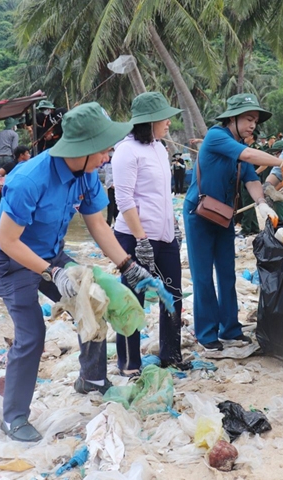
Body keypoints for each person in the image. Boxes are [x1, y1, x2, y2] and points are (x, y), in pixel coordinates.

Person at [0, 102, 161, 442]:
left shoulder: (87, 175)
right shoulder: (28, 179)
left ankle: (91, 378)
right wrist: (53, 275)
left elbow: (98, 226)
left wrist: (129, 266)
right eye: (104, 150)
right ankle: (14, 416)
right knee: (32, 334)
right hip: (12, 263)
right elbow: (8, 241)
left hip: (52, 255)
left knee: (93, 301)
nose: (107, 157)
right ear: (81, 150)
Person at [183, 93, 283, 351]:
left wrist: (262, 204)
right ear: (232, 119)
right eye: (248, 119)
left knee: (226, 273)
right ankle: (207, 333)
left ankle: (230, 329)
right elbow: (247, 156)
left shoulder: (238, 144)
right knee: (202, 276)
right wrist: (282, 161)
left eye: (255, 120)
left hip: (223, 215)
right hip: (198, 214)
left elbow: (251, 180)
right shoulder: (216, 136)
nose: (252, 125)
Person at [111, 92, 189, 376]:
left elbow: (162, 194)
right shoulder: (126, 151)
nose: (169, 122)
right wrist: (141, 238)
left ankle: (171, 354)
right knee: (133, 299)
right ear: (148, 121)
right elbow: (125, 200)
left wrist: (173, 224)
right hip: (135, 238)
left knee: (173, 294)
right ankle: (130, 364)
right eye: (163, 118)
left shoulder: (159, 148)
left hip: (165, 236)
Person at [103, 156, 118, 226]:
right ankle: (110, 221)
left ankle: (115, 221)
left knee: (115, 204)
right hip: (110, 185)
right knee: (111, 204)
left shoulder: (116, 160)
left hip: (115, 186)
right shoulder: (107, 161)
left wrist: (115, 183)